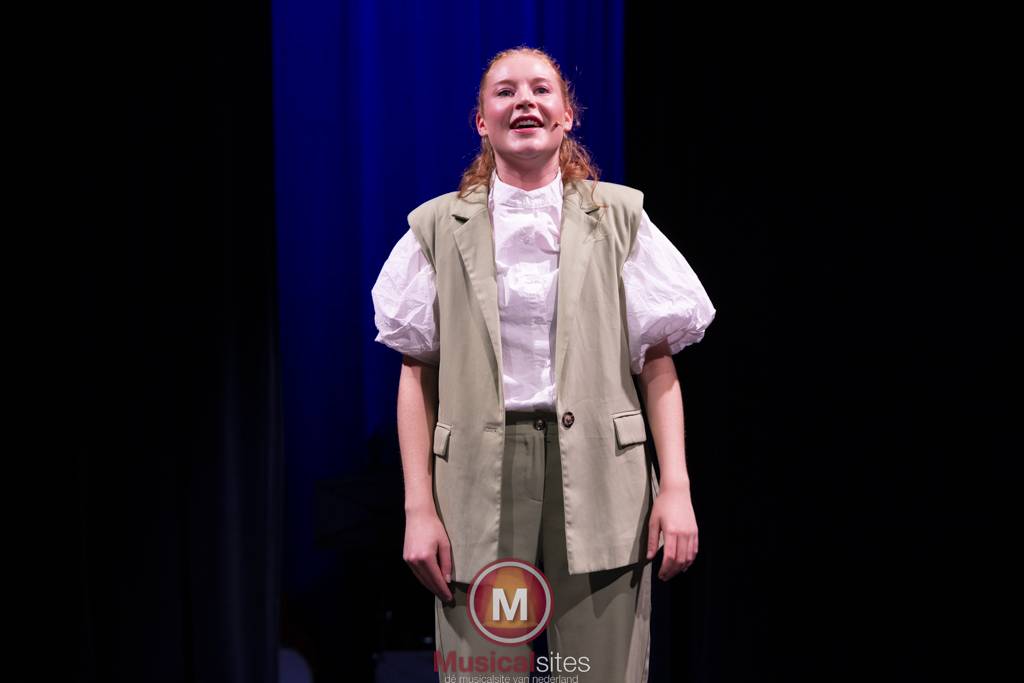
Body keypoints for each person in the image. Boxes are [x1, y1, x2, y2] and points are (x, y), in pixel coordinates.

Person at [371, 45, 715, 683]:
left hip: (603, 477)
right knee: (482, 671)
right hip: (477, 484)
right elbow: (416, 373)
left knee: (600, 672)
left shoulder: (620, 217)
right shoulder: (437, 228)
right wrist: (418, 508)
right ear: (482, 120)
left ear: (566, 116)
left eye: (540, 89)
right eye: (505, 92)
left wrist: (677, 488)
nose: (524, 101)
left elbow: (657, 362)